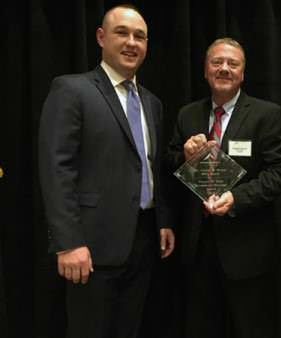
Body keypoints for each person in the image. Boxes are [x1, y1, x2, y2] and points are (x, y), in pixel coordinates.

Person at [38, 5, 174, 338]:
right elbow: (57, 168)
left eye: (139, 36)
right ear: (101, 37)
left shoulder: (152, 103)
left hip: (143, 242)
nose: (132, 43)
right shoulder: (72, 90)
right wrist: (68, 243)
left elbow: (151, 166)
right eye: (122, 33)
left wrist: (164, 220)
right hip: (91, 247)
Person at [166, 38, 281, 338]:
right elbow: (168, 165)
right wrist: (183, 156)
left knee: (252, 328)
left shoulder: (267, 115)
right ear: (205, 71)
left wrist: (236, 198)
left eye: (232, 64)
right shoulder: (187, 115)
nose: (224, 68)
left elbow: (280, 173)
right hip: (198, 247)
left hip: (248, 248)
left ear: (243, 73)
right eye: (217, 63)